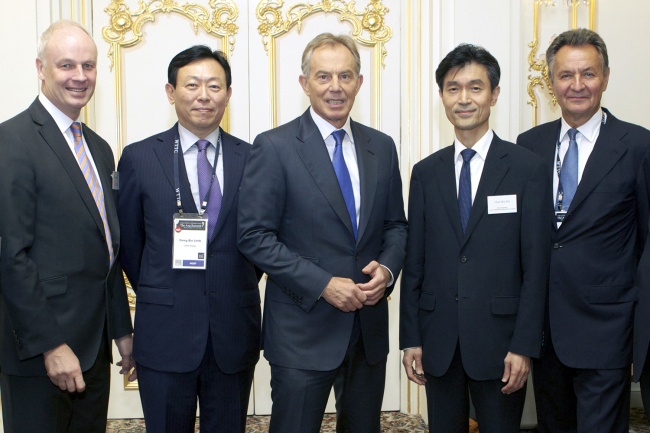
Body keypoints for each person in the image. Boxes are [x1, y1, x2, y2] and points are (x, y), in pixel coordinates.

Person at [237, 33, 408, 433]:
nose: (335, 87)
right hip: (302, 332)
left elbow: (395, 226)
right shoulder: (274, 147)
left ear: (359, 83)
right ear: (304, 83)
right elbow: (254, 236)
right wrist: (323, 284)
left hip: (367, 333)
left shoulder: (381, 147)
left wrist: (386, 269)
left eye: (346, 76)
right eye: (323, 77)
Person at [400, 43, 552, 432]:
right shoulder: (425, 172)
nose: (464, 99)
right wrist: (411, 338)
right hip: (439, 342)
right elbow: (414, 261)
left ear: (494, 94)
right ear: (442, 96)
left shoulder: (526, 169)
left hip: (501, 344)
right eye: (453, 88)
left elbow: (536, 267)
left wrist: (524, 346)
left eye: (475, 87)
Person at [117, 45, 261, 433]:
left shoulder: (254, 159)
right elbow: (129, 246)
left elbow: (262, 243)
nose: (203, 95)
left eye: (215, 86)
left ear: (228, 94)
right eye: (192, 84)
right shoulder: (139, 157)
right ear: (170, 92)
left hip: (233, 330)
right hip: (164, 331)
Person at [0, 19, 134, 433]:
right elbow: (10, 256)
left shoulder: (98, 147)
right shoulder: (12, 141)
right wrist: (50, 346)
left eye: (89, 66)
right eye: (66, 65)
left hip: (93, 348)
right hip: (40, 354)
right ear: (41, 68)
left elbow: (104, 249)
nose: (80, 76)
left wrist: (122, 332)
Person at [516, 28, 650, 433]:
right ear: (550, 82)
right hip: (545, 330)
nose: (577, 86)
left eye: (588, 74)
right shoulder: (529, 145)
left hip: (607, 327)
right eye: (565, 75)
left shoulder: (638, 146)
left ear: (606, 77)